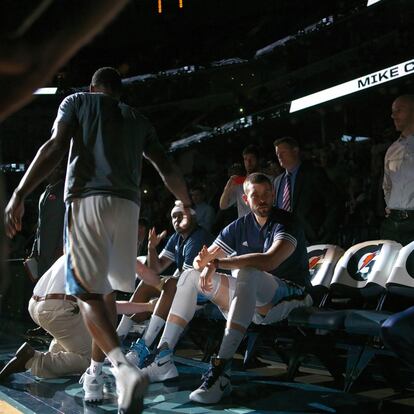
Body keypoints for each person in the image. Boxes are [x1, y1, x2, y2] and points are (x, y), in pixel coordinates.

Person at [4, 67, 192, 413]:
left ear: (93, 88)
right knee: (105, 294)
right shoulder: (138, 119)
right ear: (119, 94)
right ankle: (93, 371)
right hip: (128, 206)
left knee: (86, 292)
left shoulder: (77, 101)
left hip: (89, 198)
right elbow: (165, 164)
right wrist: (185, 201)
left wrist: (19, 191)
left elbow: (56, 145)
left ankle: (120, 369)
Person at [141, 173, 312, 404]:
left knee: (248, 271)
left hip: (291, 295)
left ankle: (221, 370)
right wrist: (203, 263)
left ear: (273, 195)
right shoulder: (238, 226)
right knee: (189, 276)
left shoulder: (287, 222)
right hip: (249, 301)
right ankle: (163, 357)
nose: (262, 200)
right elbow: (202, 260)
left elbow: (269, 261)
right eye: (255, 195)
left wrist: (217, 264)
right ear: (245, 199)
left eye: (266, 194)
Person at [121, 201, 213, 367]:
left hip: (205, 291)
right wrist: (151, 248)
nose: (176, 220)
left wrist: (162, 287)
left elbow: (186, 278)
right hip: (186, 287)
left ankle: (144, 345)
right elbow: (155, 268)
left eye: (180, 216)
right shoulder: (177, 238)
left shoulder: (199, 237)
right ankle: (118, 338)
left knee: (171, 283)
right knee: (147, 283)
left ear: (192, 217)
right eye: (173, 217)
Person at [0, 256, 91, 380]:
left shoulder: (72, 250)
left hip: (35, 304)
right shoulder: (99, 253)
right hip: (57, 308)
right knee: (89, 358)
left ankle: (55, 357)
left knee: (71, 331)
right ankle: (33, 359)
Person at [273, 136, 342, 245]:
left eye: (283, 152)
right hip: (285, 242)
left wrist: (325, 230)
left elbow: (335, 202)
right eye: (277, 154)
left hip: (311, 239)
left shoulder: (313, 174)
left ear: (295, 151)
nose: (279, 156)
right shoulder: (277, 181)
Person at [380, 94, 414, 246]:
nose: (393, 115)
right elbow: (387, 185)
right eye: (393, 111)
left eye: (399, 110)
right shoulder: (392, 149)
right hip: (392, 224)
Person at [29, 163, 65, 278]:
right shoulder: (43, 194)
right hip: (42, 252)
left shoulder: (64, 190)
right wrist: (34, 251)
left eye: (53, 169)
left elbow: (67, 221)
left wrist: (61, 246)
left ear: (59, 171)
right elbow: (39, 227)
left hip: (56, 251)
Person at [219, 144, 261, 217]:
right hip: (245, 225)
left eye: (252, 158)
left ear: (258, 160)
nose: (249, 162)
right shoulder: (239, 183)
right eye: (245, 159)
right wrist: (227, 189)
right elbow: (223, 206)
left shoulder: (269, 179)